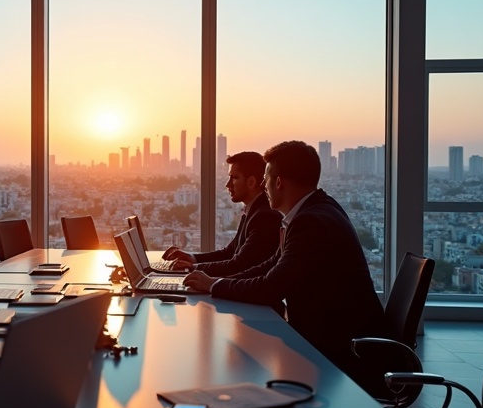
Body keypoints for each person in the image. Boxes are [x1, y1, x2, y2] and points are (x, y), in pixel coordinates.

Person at [183, 140, 387, 381]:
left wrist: (213, 285)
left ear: (278, 182)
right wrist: (213, 282)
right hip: (335, 335)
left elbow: (271, 287)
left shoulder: (310, 223)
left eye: (266, 178)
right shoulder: (316, 210)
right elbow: (271, 265)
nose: (263, 185)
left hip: (345, 349)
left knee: (240, 367)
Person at [162, 152, 280, 276]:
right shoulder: (253, 210)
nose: (227, 185)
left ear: (251, 182)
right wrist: (192, 258)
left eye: (234, 178)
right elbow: (229, 253)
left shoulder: (264, 217)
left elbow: (239, 265)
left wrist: (193, 268)